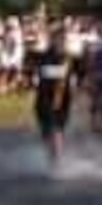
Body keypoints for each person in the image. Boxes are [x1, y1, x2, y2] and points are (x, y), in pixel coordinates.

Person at [35, 28, 74, 170]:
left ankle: (56, 162)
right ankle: (52, 158)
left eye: (64, 40)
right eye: (59, 40)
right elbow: (43, 72)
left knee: (57, 131)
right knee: (47, 133)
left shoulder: (68, 57)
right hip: (45, 100)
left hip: (62, 100)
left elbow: (76, 74)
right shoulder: (46, 56)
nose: (62, 43)